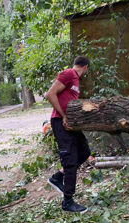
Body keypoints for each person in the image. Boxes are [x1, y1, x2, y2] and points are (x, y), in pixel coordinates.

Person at [45, 56, 91, 214]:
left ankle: (58, 177)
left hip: (72, 124)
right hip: (60, 122)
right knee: (70, 161)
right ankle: (67, 202)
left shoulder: (75, 80)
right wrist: (63, 115)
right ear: (85, 67)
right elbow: (50, 94)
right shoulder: (69, 73)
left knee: (84, 152)